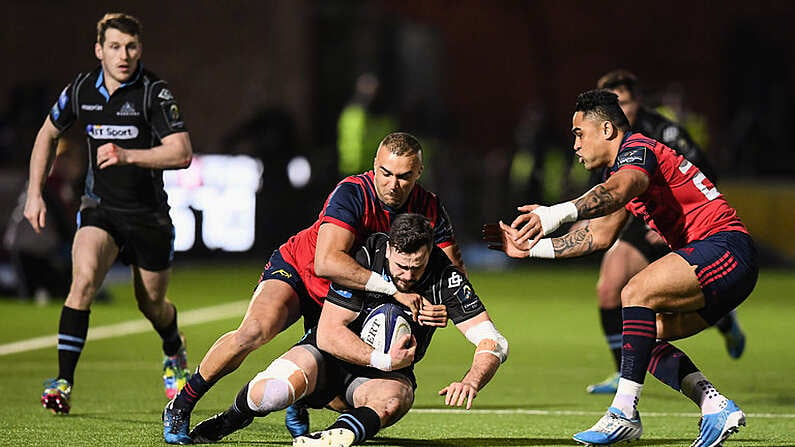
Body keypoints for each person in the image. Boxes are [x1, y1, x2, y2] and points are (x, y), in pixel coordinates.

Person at [485, 89, 756, 446]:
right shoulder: (620, 172)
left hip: (726, 247)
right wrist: (531, 248)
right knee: (645, 336)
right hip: (719, 261)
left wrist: (554, 213)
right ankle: (713, 405)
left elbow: (621, 188)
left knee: (634, 291)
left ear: (608, 130)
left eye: (580, 133)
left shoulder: (638, 150)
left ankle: (624, 412)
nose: (576, 145)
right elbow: (597, 236)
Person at [163, 132, 464, 444]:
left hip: (349, 297)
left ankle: (299, 397)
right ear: (375, 165)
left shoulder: (428, 208)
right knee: (254, 331)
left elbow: (451, 272)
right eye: (385, 173)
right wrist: (394, 290)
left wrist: (437, 303)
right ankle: (182, 403)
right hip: (301, 271)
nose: (393, 184)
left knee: (345, 383)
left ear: (418, 172)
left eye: (403, 176)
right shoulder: (353, 193)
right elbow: (326, 263)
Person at [188, 213, 507, 446]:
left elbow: (493, 341)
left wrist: (471, 380)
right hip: (329, 358)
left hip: (379, 379)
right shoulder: (364, 257)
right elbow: (328, 333)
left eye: (417, 267)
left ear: (429, 255)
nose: (408, 276)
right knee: (272, 393)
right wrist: (384, 359)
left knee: (395, 400)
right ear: (389, 249)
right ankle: (233, 417)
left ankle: (333, 437)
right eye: (401, 266)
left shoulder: (445, 278)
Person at [25, 13, 194, 415]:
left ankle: (174, 349)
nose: (124, 55)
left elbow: (182, 152)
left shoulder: (154, 92)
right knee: (81, 283)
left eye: (131, 47)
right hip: (100, 209)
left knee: (151, 304)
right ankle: (63, 382)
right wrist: (34, 193)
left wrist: (128, 155)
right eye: (115, 47)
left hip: (149, 215)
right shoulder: (82, 89)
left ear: (140, 49)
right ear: (99, 50)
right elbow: (48, 133)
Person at [583, 70, 745, 395]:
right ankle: (623, 373)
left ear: (637, 101)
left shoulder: (662, 131)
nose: (619, 109)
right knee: (610, 287)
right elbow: (606, 195)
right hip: (639, 221)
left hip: (685, 226)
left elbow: (702, 173)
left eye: (623, 102)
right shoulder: (602, 142)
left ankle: (723, 320)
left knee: (642, 298)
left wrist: (558, 214)